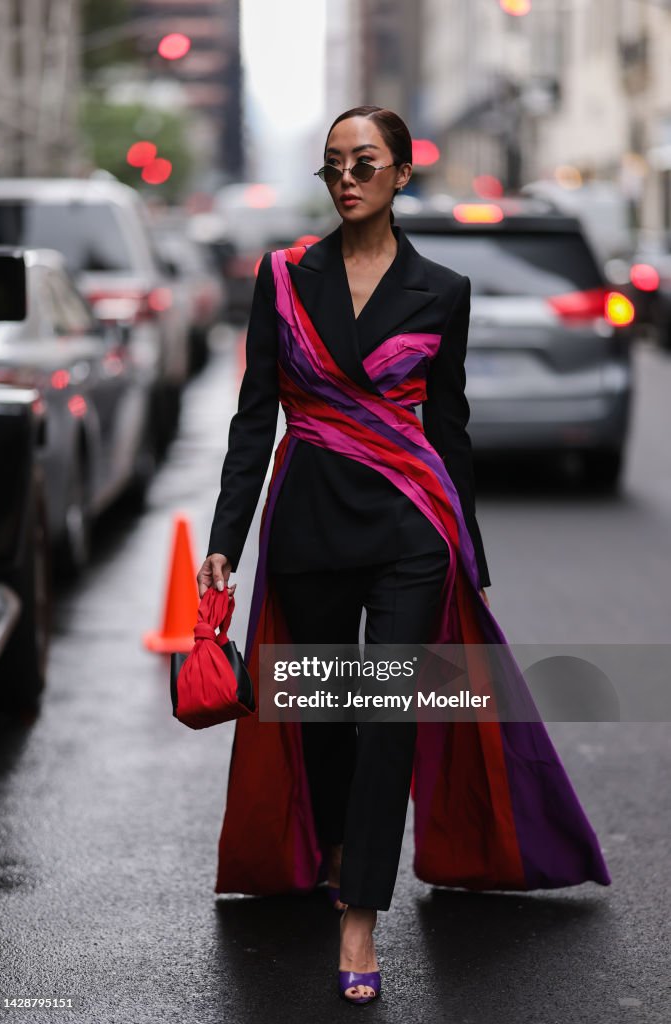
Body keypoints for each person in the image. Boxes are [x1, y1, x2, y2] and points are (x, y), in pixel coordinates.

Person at [197, 106, 611, 1006]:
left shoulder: (443, 290)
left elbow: (448, 428)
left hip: (409, 527)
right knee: (322, 716)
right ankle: (343, 844)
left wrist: (469, 545)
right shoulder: (283, 277)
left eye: (365, 162)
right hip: (307, 520)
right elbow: (252, 417)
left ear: (400, 173)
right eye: (333, 164)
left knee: (386, 713)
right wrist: (224, 540)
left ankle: (359, 911)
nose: (346, 177)